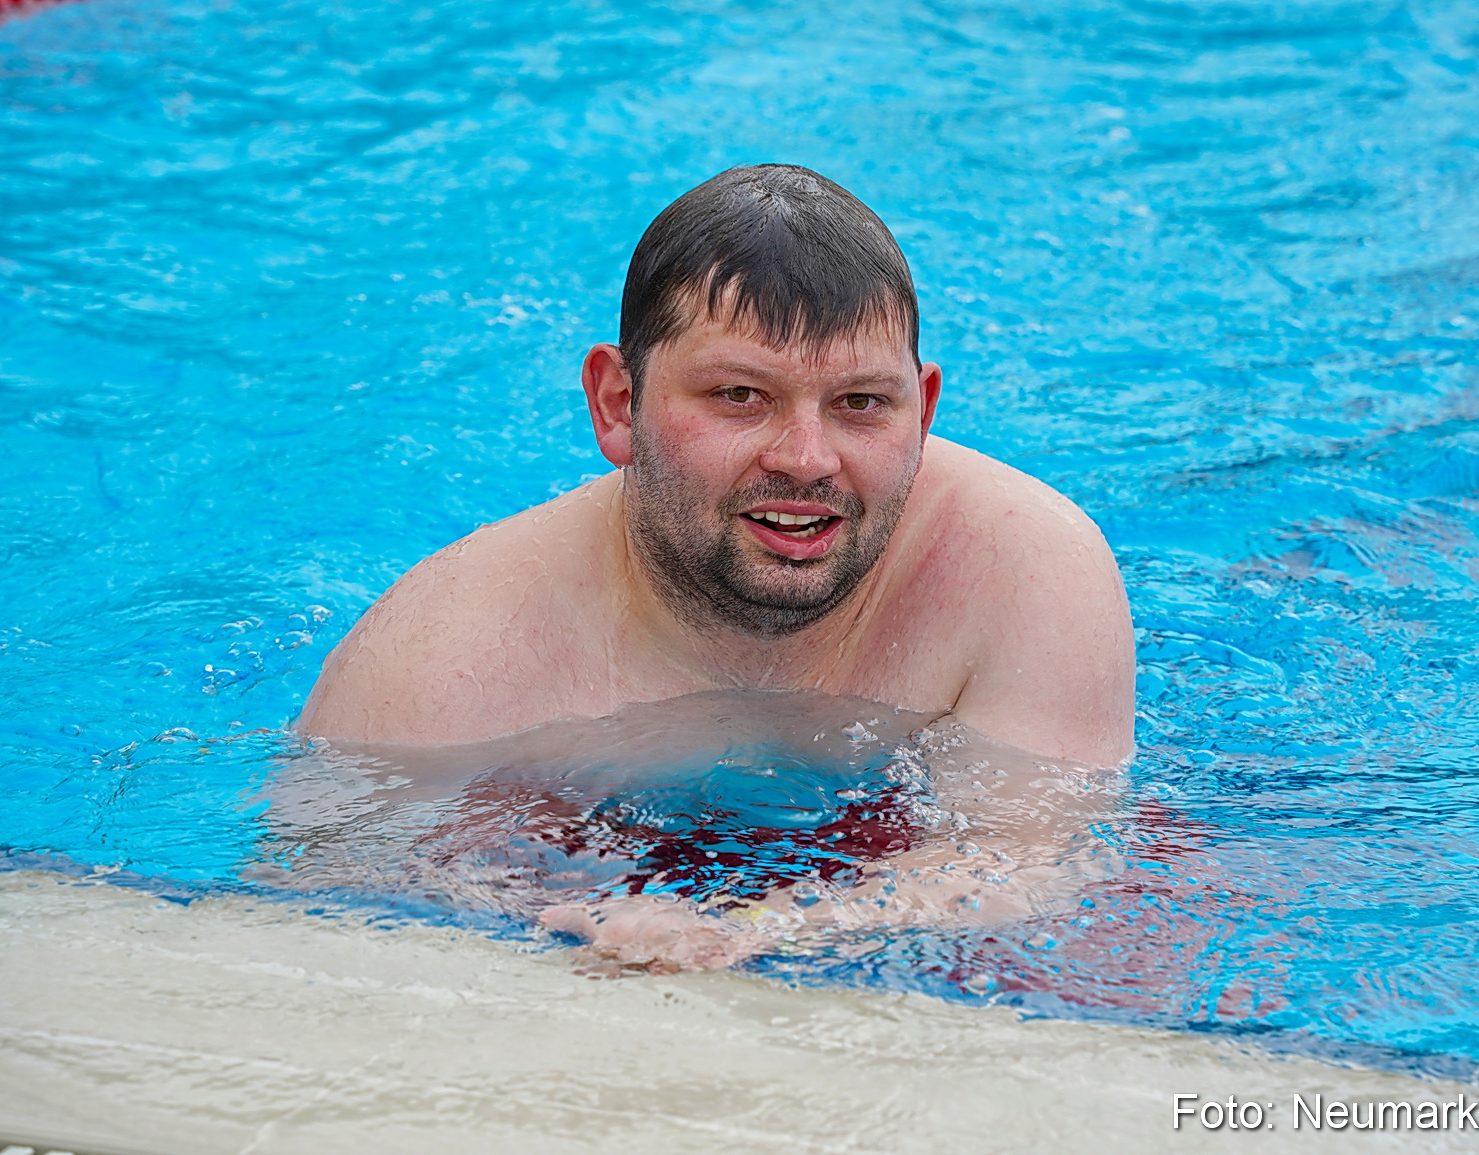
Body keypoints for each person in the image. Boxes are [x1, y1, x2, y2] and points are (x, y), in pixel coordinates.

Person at [297, 164, 1134, 970]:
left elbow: (1034, 862)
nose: (808, 459)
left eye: (860, 403)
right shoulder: (444, 667)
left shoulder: (1022, 564)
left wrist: (755, 932)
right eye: (740, 395)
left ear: (922, 412)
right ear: (618, 403)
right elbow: (325, 922)